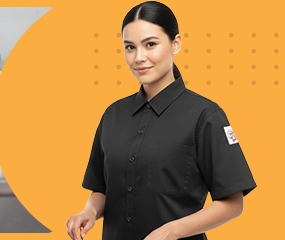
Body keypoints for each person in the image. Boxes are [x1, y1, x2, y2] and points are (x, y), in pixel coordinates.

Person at [67, 2, 256, 240]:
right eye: (129, 47)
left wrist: (171, 231)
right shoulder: (112, 115)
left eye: (150, 45)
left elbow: (233, 203)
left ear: (175, 43)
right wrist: (90, 211)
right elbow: (102, 189)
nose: (139, 58)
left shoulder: (205, 116)